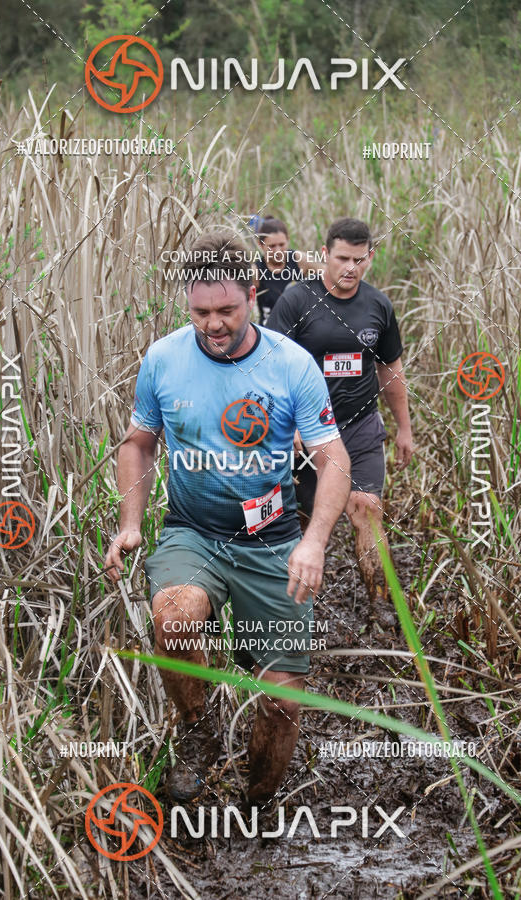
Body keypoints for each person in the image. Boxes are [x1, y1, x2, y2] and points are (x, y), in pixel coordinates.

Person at [104, 228, 350, 808]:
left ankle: (255, 809)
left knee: (283, 703)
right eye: (200, 313)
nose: (213, 325)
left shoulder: (291, 365)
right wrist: (131, 522)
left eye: (226, 311)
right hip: (194, 532)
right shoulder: (164, 359)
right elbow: (138, 444)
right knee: (174, 618)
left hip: (272, 540)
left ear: (253, 294)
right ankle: (198, 731)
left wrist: (314, 542)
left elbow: (334, 460)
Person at [267, 217, 413, 632]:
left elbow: (391, 370)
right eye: (343, 258)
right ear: (325, 255)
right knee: (301, 520)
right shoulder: (296, 301)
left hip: (360, 425)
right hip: (306, 430)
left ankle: (381, 610)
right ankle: (294, 612)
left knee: (367, 509)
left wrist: (404, 428)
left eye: (359, 259)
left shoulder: (378, 306)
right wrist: (287, 423)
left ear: (370, 257)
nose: (351, 267)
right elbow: (270, 366)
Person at [254, 216, 319, 325]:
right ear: (260, 245)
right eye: (272, 246)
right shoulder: (256, 271)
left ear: (288, 240)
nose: (278, 251)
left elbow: (331, 276)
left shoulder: (299, 259)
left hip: (300, 327)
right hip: (271, 329)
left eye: (282, 245)